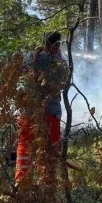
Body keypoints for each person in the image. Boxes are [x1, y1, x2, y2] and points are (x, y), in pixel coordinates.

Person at [15, 31, 68, 185]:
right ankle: (47, 184)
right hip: (51, 112)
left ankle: (21, 182)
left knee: (25, 146)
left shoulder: (30, 58)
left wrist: (37, 52)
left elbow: (19, 68)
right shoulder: (60, 62)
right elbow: (64, 80)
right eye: (59, 45)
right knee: (51, 149)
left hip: (28, 111)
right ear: (56, 45)